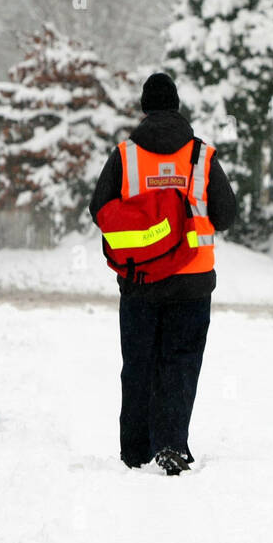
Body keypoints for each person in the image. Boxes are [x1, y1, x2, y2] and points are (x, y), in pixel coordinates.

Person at [88, 72, 237, 475]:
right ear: (177, 107)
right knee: (180, 362)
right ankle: (171, 444)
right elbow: (226, 216)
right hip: (192, 281)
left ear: (144, 108)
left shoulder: (125, 155)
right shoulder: (202, 156)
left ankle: (135, 451)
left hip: (140, 281)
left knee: (138, 363)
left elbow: (98, 209)